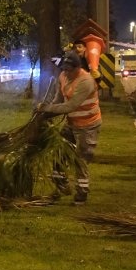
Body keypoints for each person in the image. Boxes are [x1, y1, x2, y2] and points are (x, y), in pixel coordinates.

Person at [35, 50, 101, 205]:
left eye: (69, 70)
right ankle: (61, 187)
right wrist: (46, 113)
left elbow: (70, 106)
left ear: (78, 68)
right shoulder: (63, 76)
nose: (66, 72)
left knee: (81, 159)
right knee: (59, 155)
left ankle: (81, 194)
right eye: (64, 69)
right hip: (71, 123)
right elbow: (59, 99)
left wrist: (46, 109)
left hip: (88, 125)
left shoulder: (85, 81)